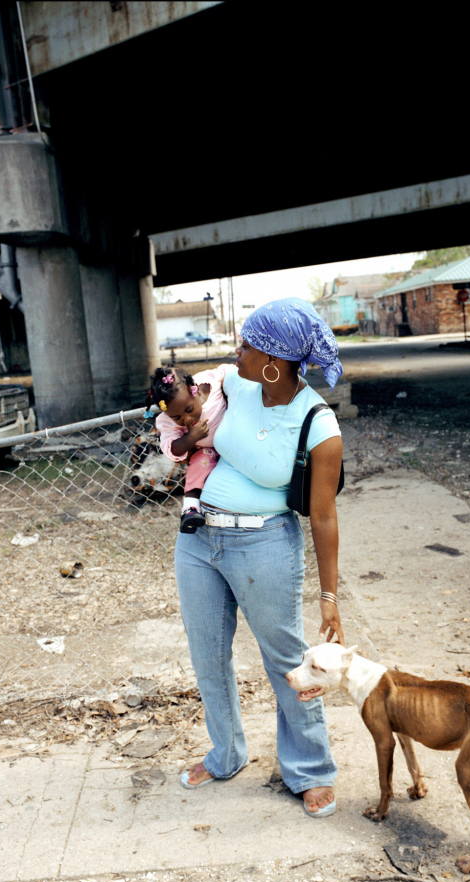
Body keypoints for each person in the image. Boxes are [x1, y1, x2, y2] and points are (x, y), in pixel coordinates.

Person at [175, 298, 345, 819]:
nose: (237, 351)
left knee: (287, 663)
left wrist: (329, 596)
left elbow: (323, 517)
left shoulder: (318, 422)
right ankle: (225, 754)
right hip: (199, 541)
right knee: (208, 657)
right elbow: (175, 404)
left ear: (275, 359)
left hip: (265, 545)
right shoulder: (232, 385)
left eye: (247, 346)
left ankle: (311, 770)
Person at [147, 365, 231, 534]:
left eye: (189, 410)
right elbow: (170, 447)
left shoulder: (210, 383)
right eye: (177, 417)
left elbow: (226, 370)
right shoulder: (167, 421)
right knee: (198, 463)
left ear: (196, 391)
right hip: (208, 449)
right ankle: (190, 507)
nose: (186, 419)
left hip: (233, 440)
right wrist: (191, 438)